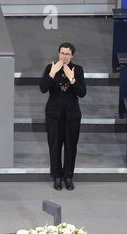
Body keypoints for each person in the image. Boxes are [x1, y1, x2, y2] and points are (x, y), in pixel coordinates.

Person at [39, 42, 86, 191]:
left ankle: (68, 176)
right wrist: (52, 73)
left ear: (72, 55)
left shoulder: (77, 70)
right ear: (58, 53)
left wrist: (72, 79)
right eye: (62, 53)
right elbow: (43, 88)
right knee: (54, 146)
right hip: (54, 114)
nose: (64, 56)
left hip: (72, 115)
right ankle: (57, 177)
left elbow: (82, 93)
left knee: (71, 147)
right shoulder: (50, 67)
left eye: (67, 54)